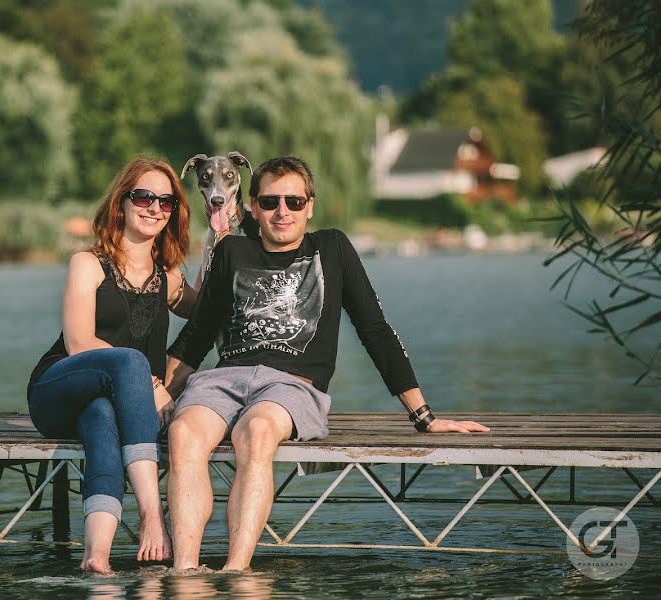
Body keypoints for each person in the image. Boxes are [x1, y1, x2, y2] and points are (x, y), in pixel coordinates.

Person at [163, 156, 490, 571]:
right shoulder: (231, 250)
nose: (282, 211)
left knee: (257, 431)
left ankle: (236, 573)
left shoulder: (332, 248)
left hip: (291, 386)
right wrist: (158, 393)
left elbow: (375, 330)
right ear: (253, 206)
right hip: (224, 378)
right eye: (270, 202)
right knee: (183, 433)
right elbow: (196, 336)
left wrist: (423, 416)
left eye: (294, 202)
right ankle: (185, 575)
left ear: (310, 206)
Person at [27, 157, 195, 573]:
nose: (155, 207)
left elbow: (208, 310)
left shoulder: (167, 278)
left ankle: (95, 556)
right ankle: (152, 518)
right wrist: (152, 383)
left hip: (111, 405)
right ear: (121, 202)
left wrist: (222, 236)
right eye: (144, 197)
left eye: (166, 202)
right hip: (58, 388)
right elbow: (79, 342)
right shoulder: (88, 264)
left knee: (102, 422)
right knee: (130, 363)